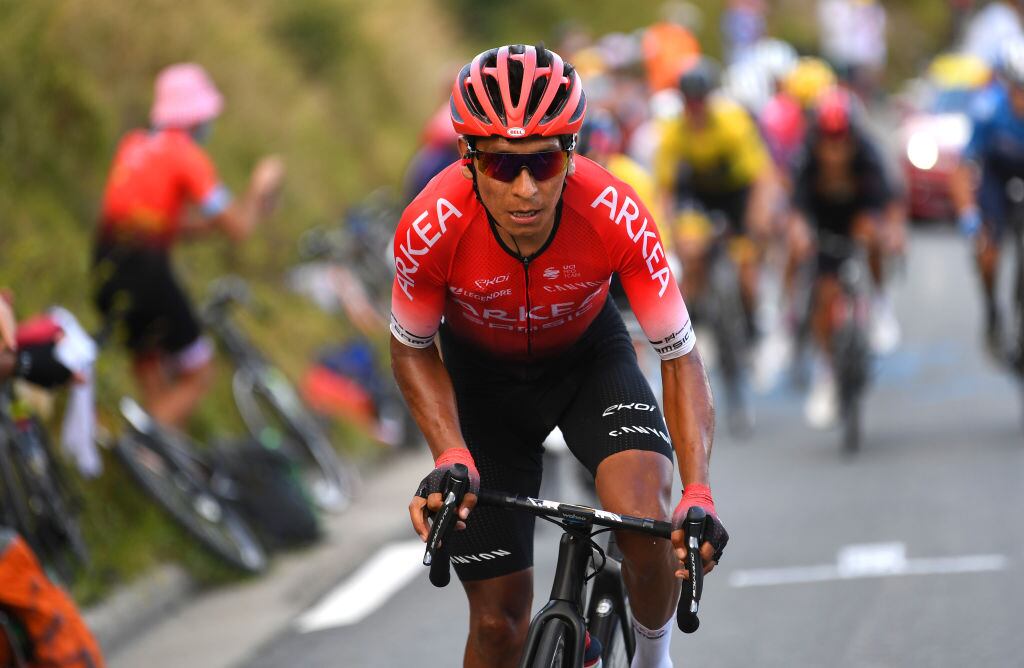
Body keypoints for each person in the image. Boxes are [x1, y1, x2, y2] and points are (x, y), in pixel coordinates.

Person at [391, 44, 727, 668]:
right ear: (469, 160)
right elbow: (411, 348)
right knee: (497, 625)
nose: (524, 189)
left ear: (572, 153)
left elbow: (680, 356)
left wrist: (699, 491)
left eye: (544, 163)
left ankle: (654, 660)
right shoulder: (430, 224)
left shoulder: (616, 212)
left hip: (587, 366)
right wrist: (450, 452)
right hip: (483, 389)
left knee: (642, 518)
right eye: (500, 165)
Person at [91, 63, 283, 428]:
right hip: (146, 271)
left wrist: (211, 224)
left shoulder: (135, 145)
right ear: (196, 116)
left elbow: (170, 226)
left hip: (106, 266)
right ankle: (142, 445)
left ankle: (155, 473)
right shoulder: (186, 155)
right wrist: (259, 189)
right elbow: (238, 228)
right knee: (198, 373)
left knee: (155, 382)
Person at [788, 88, 901, 427]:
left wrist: (892, 232)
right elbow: (795, 210)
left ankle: (879, 304)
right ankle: (828, 370)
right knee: (824, 295)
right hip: (824, 225)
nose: (835, 151)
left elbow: (890, 203)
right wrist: (798, 233)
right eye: (828, 141)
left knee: (873, 233)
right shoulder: (805, 158)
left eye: (842, 140)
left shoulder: (868, 154)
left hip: (859, 219)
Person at [951, 37, 1024, 365]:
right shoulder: (987, 110)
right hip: (998, 178)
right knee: (988, 252)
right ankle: (993, 309)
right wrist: (968, 213)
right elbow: (965, 167)